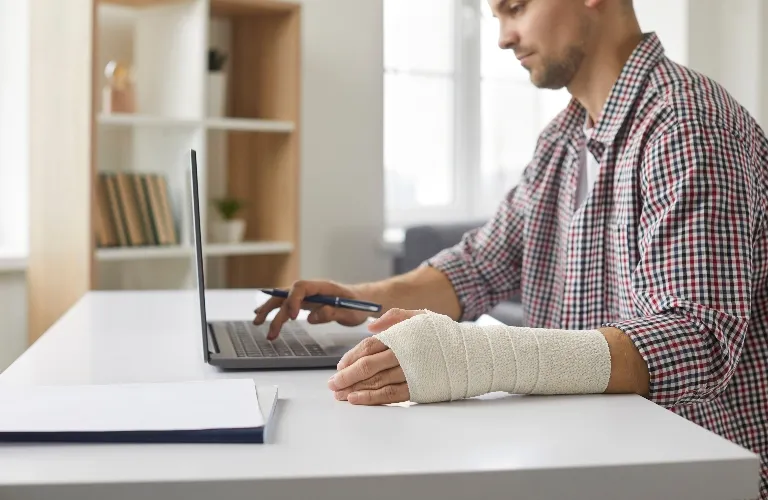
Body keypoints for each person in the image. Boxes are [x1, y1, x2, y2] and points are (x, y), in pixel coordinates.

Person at [254, 0, 767, 496]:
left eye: (517, 7)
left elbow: (699, 340)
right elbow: (480, 266)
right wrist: (357, 297)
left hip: (697, 468)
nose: (503, 38)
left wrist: (475, 357)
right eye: (495, 16)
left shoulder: (686, 125)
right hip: (595, 452)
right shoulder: (562, 140)